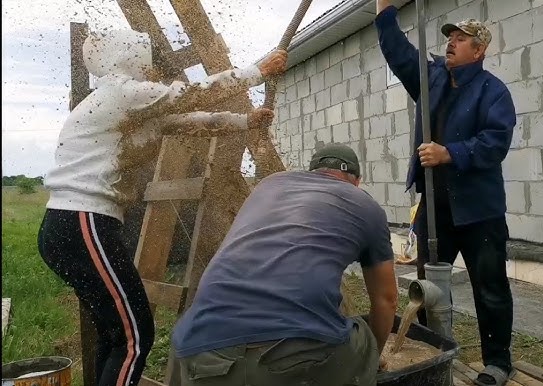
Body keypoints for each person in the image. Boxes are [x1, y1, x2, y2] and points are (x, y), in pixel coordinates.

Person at [37, 29, 286, 386]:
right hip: (83, 223)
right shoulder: (122, 93)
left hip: (71, 226)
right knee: (135, 338)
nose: (150, 64)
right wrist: (257, 70)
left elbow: (192, 121)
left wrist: (244, 121)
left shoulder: (124, 103)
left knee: (115, 334)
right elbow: (194, 94)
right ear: (127, 56)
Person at [171, 143, 398, 386]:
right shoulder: (364, 203)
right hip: (284, 359)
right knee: (362, 338)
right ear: (357, 181)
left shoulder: (270, 185)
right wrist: (373, 357)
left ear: (311, 171)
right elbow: (386, 299)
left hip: (197, 352)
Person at [374, 2, 517, 385]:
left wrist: (449, 153)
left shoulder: (493, 92)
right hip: (435, 207)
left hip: (479, 210)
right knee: (427, 288)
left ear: (479, 49)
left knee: (490, 289)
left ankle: (498, 364)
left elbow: (495, 143)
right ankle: (435, 354)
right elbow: (400, 52)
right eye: (450, 38)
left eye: (460, 39)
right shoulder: (432, 78)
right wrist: (384, 11)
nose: (451, 43)